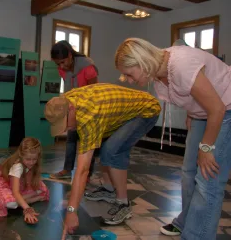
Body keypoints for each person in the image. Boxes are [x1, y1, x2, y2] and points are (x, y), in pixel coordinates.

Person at [114, 37, 231, 240]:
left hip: (225, 109)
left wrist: (206, 148)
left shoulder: (180, 65)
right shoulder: (159, 74)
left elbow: (218, 108)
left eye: (129, 74)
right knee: (188, 173)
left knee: (208, 181)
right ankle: (186, 222)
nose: (129, 80)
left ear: (142, 62)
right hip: (204, 113)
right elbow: (194, 92)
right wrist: (191, 114)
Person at [44, 83, 161, 238]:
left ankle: (123, 203)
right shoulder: (66, 100)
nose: (66, 129)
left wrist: (72, 211)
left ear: (71, 109)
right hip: (115, 112)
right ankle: (108, 189)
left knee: (112, 152)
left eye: (65, 124)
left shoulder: (89, 117)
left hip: (146, 110)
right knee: (103, 149)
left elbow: (82, 171)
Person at [49, 40, 99, 182]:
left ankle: (87, 175)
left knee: (88, 142)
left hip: (89, 107)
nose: (61, 66)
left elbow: (94, 91)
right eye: (58, 64)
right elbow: (68, 89)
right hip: (73, 107)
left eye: (63, 62)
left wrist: (84, 108)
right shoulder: (62, 68)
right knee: (71, 139)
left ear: (70, 55)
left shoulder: (88, 67)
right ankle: (67, 169)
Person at [0, 138, 50, 224]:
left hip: (18, 185)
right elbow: (15, 192)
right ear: (21, 155)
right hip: (3, 187)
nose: (31, 162)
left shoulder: (32, 163)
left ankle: (24, 200)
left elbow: (27, 182)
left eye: (34, 159)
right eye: (28, 159)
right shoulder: (17, 166)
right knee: (11, 203)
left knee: (43, 189)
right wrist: (27, 208)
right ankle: (28, 200)